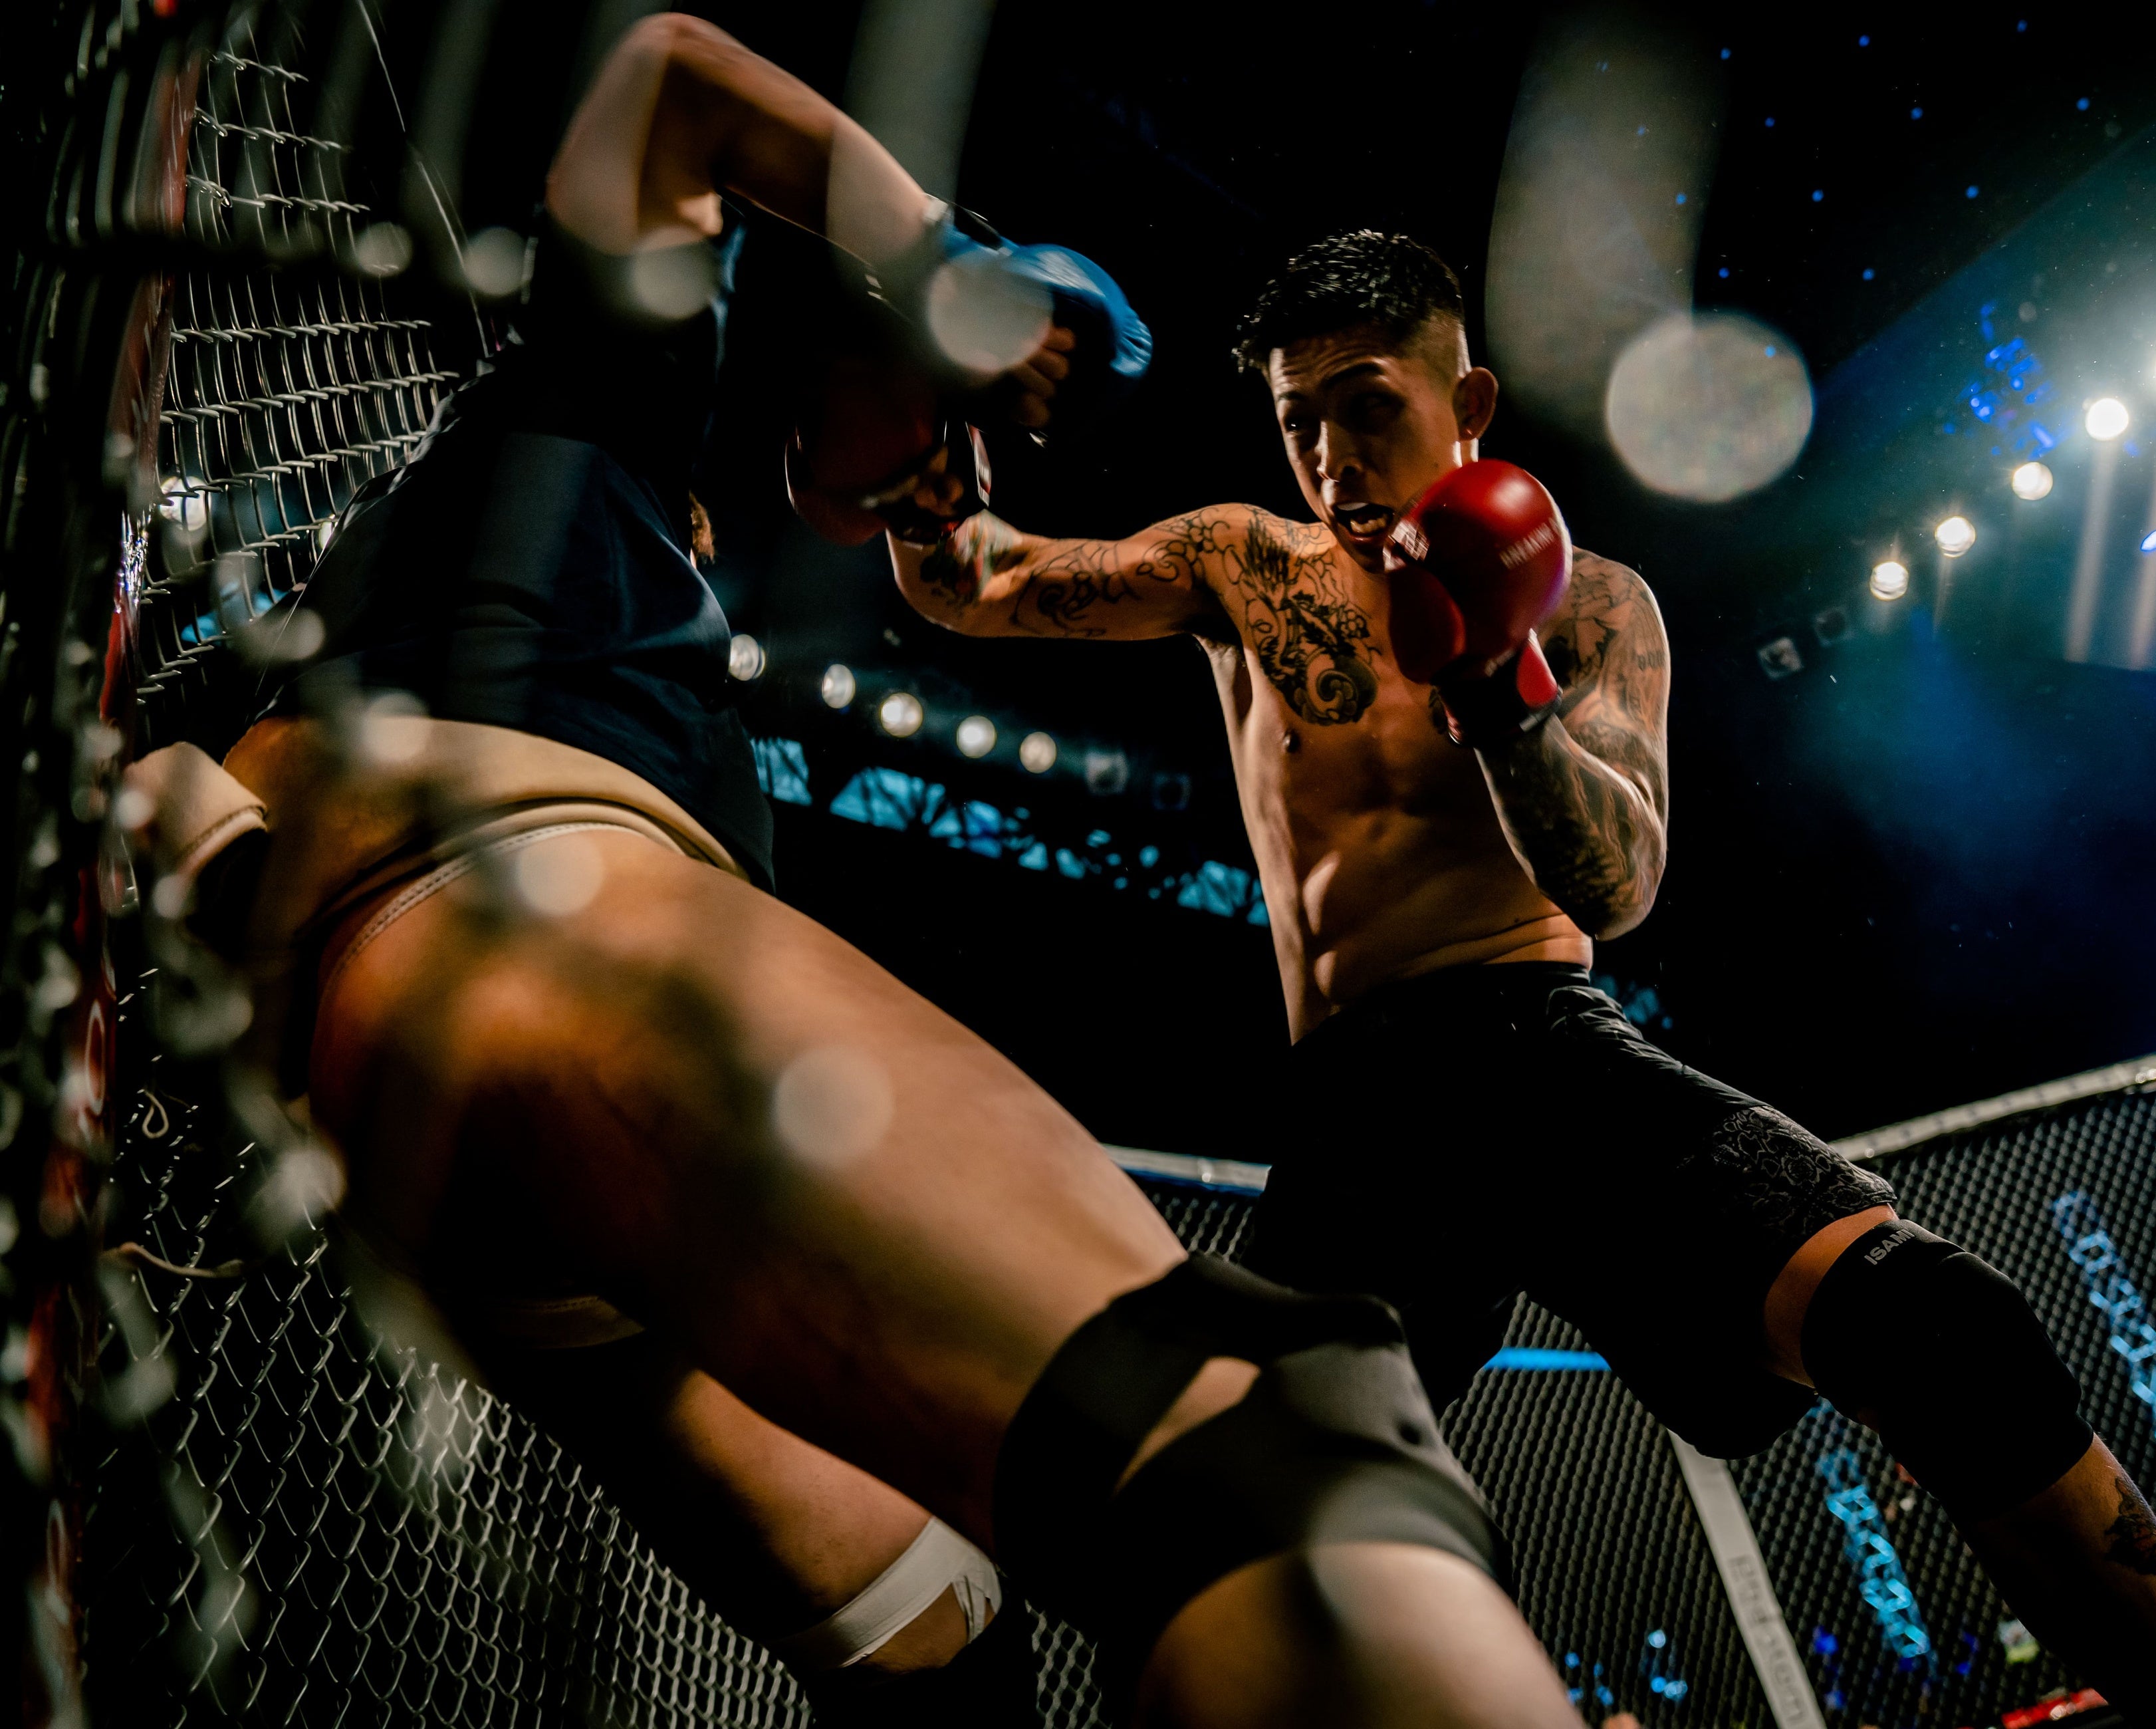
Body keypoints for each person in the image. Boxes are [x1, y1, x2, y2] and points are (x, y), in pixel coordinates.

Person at [129, 27, 1588, 1729]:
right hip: (515, 915)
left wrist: (924, 484)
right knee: (1275, 1439)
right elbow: (670, 80)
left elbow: (969, 575)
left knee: (944, 1638)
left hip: (443, 1132)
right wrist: (940, 260)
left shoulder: (598, 611)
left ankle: (204, 867)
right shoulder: (599, 406)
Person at [889, 229, 2156, 1725]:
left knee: (1941, 1332)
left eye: (1368, 405)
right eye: (1299, 420)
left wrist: (1503, 692)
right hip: (1358, 1120)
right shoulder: (1246, 563)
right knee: (1233, 1546)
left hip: (1542, 1051)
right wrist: (912, 422)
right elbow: (978, 584)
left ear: (1467, 400)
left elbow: (1619, 884)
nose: (1332, 455)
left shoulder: (1593, 603)